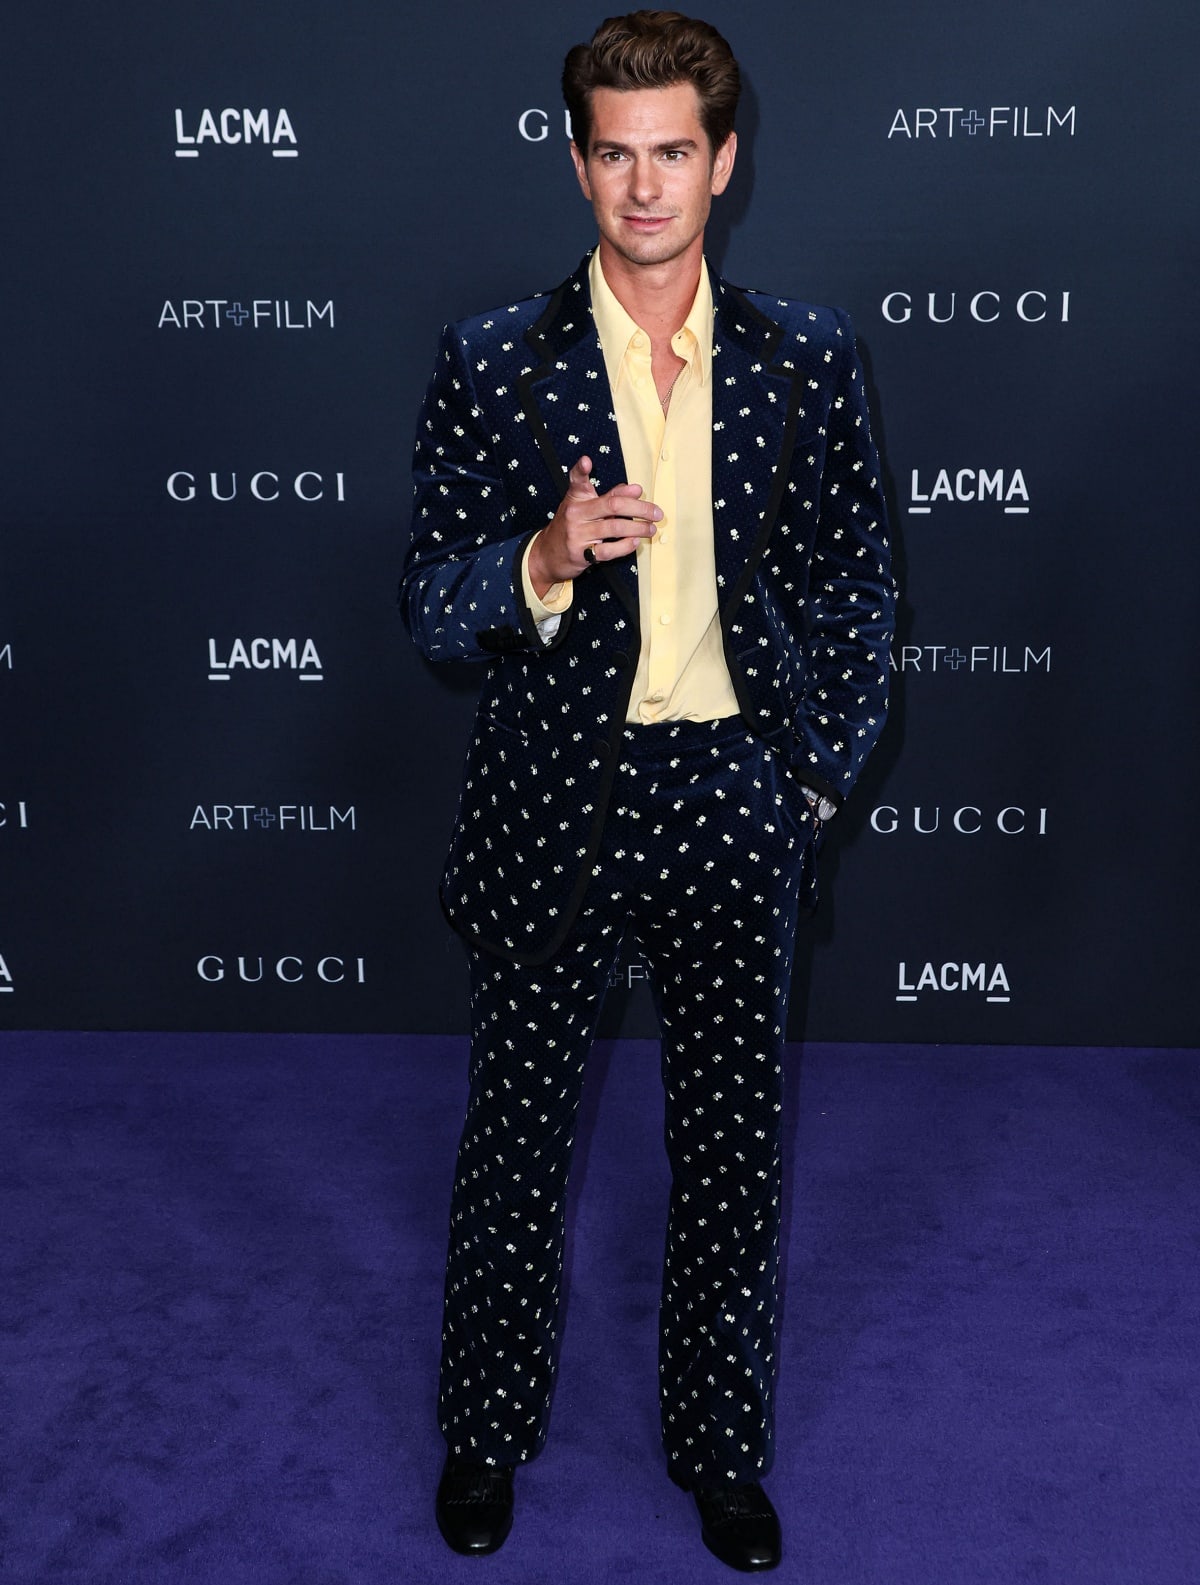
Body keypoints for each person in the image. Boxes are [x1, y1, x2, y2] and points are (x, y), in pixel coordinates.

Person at [400, 10, 894, 1571]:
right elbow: (427, 599)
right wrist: (541, 556)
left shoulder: (807, 360)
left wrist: (806, 783)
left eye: (672, 150)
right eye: (614, 153)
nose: (644, 185)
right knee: (515, 1146)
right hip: (559, 798)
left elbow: (860, 595)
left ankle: (721, 1448)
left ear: (723, 161)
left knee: (734, 1150)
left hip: (736, 796)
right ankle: (485, 1433)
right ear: (576, 161)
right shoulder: (497, 358)